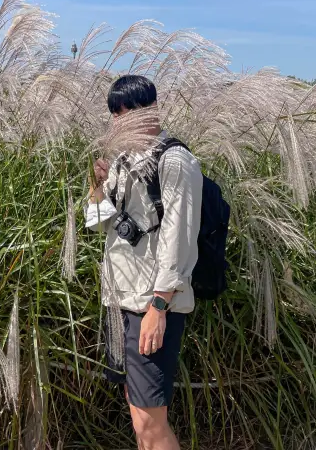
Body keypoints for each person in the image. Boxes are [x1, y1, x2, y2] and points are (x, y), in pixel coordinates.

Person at [85, 75, 203, 450]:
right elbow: (99, 222)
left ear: (150, 109)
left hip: (149, 305)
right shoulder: (123, 159)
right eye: (116, 113)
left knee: (151, 422)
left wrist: (159, 306)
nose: (122, 121)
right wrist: (98, 184)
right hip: (118, 300)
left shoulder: (176, 161)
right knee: (138, 414)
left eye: (129, 111)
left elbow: (178, 240)